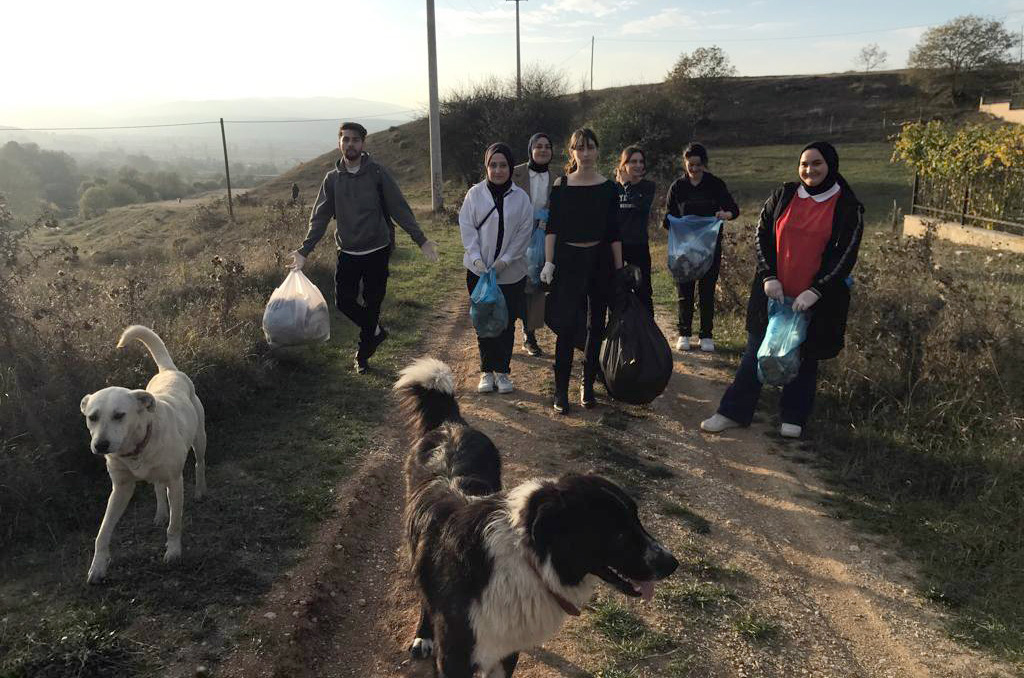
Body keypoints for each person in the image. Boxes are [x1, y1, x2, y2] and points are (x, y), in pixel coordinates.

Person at [700, 141, 863, 439]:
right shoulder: (784, 194)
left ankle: (794, 417)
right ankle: (732, 412)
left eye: (816, 163)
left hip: (815, 299)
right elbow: (761, 236)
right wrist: (768, 276)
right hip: (773, 292)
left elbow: (846, 254)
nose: (809, 170)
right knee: (755, 352)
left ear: (830, 165)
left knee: (805, 356)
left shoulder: (847, 206)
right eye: (804, 164)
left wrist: (817, 289)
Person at [290, 121, 440, 374]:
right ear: (339, 143)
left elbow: (399, 208)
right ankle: (377, 331)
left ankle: (362, 356)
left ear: (363, 144)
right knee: (344, 303)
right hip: (347, 251)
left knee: (373, 304)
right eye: (345, 139)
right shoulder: (332, 180)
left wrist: (421, 240)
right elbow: (320, 218)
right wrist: (304, 250)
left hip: (377, 250)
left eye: (355, 140)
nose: (350, 144)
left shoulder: (378, 174)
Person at [540, 128, 624, 414]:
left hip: (599, 259)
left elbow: (614, 233)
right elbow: (552, 228)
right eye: (580, 148)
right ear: (572, 152)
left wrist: (619, 268)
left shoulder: (610, 188)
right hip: (568, 260)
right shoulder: (561, 185)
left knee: (596, 325)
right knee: (565, 326)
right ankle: (560, 390)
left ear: (597, 150)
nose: (585, 153)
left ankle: (587, 386)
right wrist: (549, 262)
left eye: (590, 147)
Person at [459, 143, 533, 394]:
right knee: (484, 321)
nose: (498, 170)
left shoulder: (521, 198)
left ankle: (502, 372)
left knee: (506, 322)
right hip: (478, 272)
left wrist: (506, 260)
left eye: (503, 165)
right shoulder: (474, 194)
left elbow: (524, 233)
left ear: (511, 168)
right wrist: (478, 259)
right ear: (486, 167)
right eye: (493, 165)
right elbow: (467, 229)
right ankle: (486, 371)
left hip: (511, 273)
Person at [663, 143, 739, 353]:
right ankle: (684, 333)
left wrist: (725, 215)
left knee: (707, 291)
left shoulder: (715, 184)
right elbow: (668, 216)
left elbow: (734, 210)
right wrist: (674, 223)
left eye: (698, 165)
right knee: (684, 290)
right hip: (684, 249)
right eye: (690, 165)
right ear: (685, 164)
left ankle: (706, 335)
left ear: (704, 164)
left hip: (709, 248)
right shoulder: (677, 187)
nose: (694, 169)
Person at [511, 132, 560, 357]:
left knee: (536, 285)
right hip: (515, 235)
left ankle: (529, 335)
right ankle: (504, 330)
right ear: (530, 149)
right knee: (512, 283)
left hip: (542, 234)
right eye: (538, 146)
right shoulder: (515, 173)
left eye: (547, 146)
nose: (543, 150)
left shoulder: (557, 177)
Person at [614, 146, 656, 315]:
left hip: (638, 245)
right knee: (617, 291)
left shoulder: (648, 187)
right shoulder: (612, 188)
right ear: (624, 165)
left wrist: (626, 185)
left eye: (641, 161)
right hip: (617, 247)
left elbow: (641, 206)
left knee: (643, 291)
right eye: (633, 161)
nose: (638, 165)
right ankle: (619, 334)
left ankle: (648, 336)